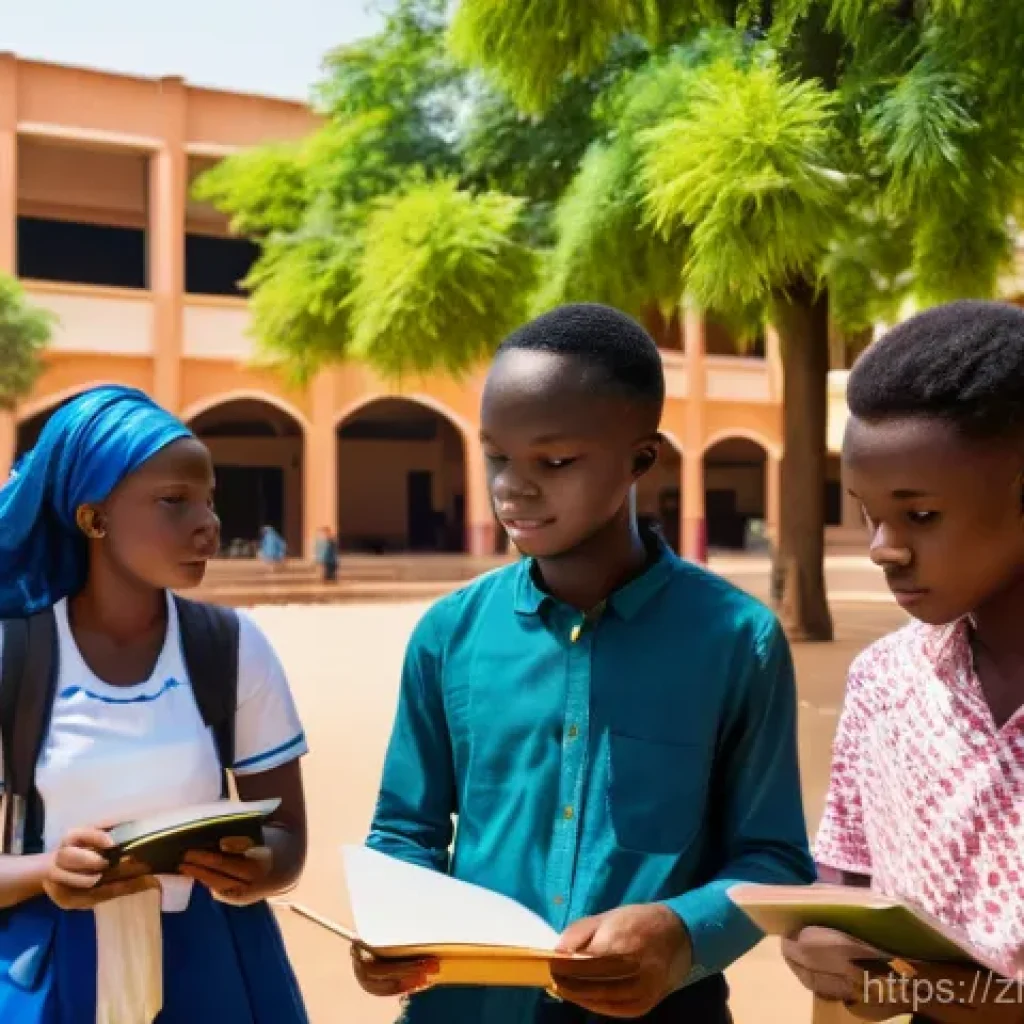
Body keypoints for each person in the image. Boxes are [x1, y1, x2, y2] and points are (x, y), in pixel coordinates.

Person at [352, 303, 814, 1022]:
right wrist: (389, 919)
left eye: (554, 460)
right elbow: (404, 832)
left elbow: (773, 859)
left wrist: (680, 932)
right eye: (496, 454)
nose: (512, 486)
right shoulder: (448, 634)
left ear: (641, 459)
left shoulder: (736, 640)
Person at [0, 385, 310, 1022]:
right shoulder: (15, 656)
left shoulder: (231, 647)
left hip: (213, 969)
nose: (209, 524)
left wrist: (260, 868)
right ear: (94, 519)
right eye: (175, 502)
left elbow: (289, 839)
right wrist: (48, 872)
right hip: (59, 974)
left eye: (209, 499)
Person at [782, 300, 1024, 1022]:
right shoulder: (887, 683)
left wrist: (914, 989)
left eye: (920, 515)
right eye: (866, 512)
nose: (883, 547)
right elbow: (847, 900)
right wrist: (823, 950)